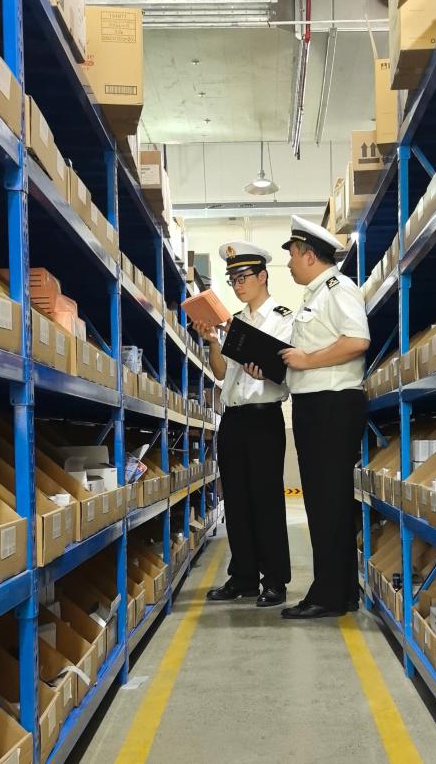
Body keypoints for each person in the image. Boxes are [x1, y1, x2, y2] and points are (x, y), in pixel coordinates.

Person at [191, 241, 294, 608]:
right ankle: (244, 577)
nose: (237, 285)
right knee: (235, 499)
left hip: (264, 417)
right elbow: (221, 374)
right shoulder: (234, 322)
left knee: (266, 500)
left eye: (243, 277)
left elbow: (285, 372)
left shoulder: (284, 318)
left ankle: (275, 580)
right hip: (233, 419)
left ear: (263, 276)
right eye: (232, 279)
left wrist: (264, 369)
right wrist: (212, 341)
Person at [278, 216, 370, 619]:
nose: (289, 263)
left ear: (309, 255)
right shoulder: (314, 296)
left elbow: (358, 339)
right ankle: (341, 591)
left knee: (326, 501)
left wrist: (307, 360)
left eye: (292, 255)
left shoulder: (338, 288)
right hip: (316, 404)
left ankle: (327, 596)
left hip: (331, 404)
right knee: (324, 501)